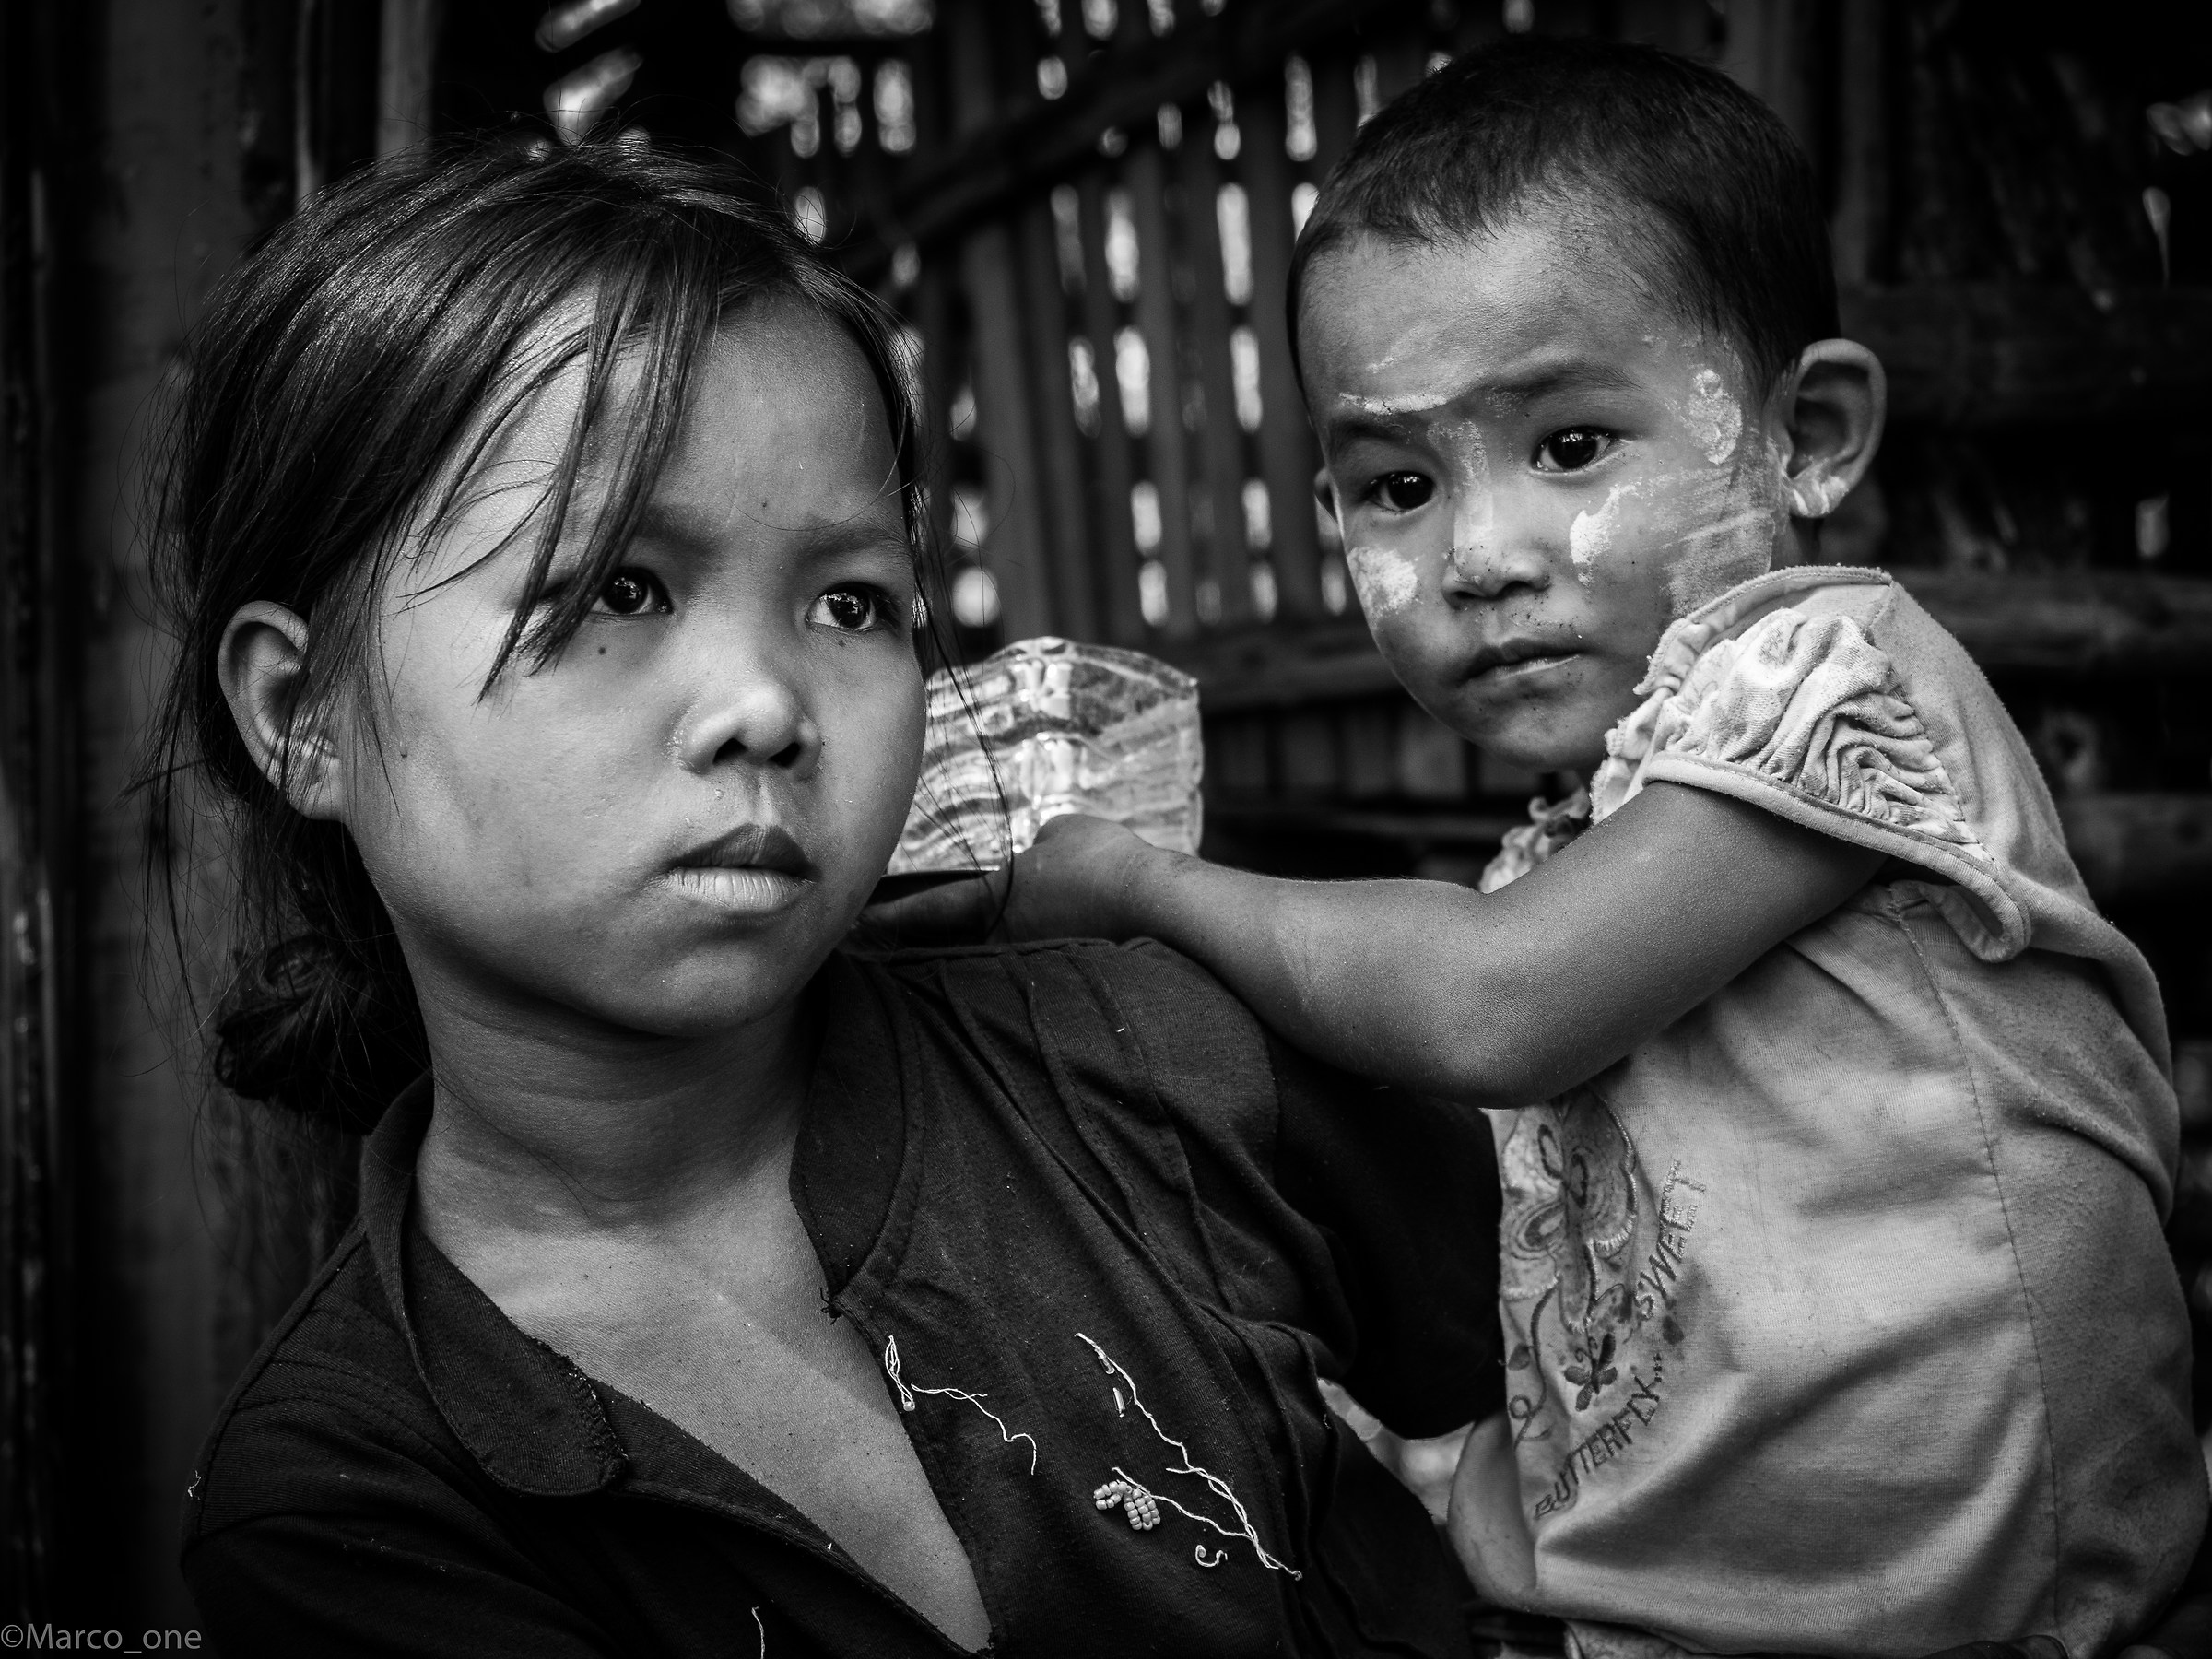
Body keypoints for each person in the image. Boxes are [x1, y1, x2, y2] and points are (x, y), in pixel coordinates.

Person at [875, 36, 2208, 1659]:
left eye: (1570, 446)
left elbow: (1491, 1005)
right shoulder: (1579, 845)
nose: (1480, 555)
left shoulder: (1839, 682)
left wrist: (1132, 883)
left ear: (1811, 435)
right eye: (1395, 484)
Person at [148, 140, 1506, 1657]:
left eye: (850, 603)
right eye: (618, 588)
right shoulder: (351, 1507)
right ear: (302, 713)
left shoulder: (1153, 1065)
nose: (766, 706)